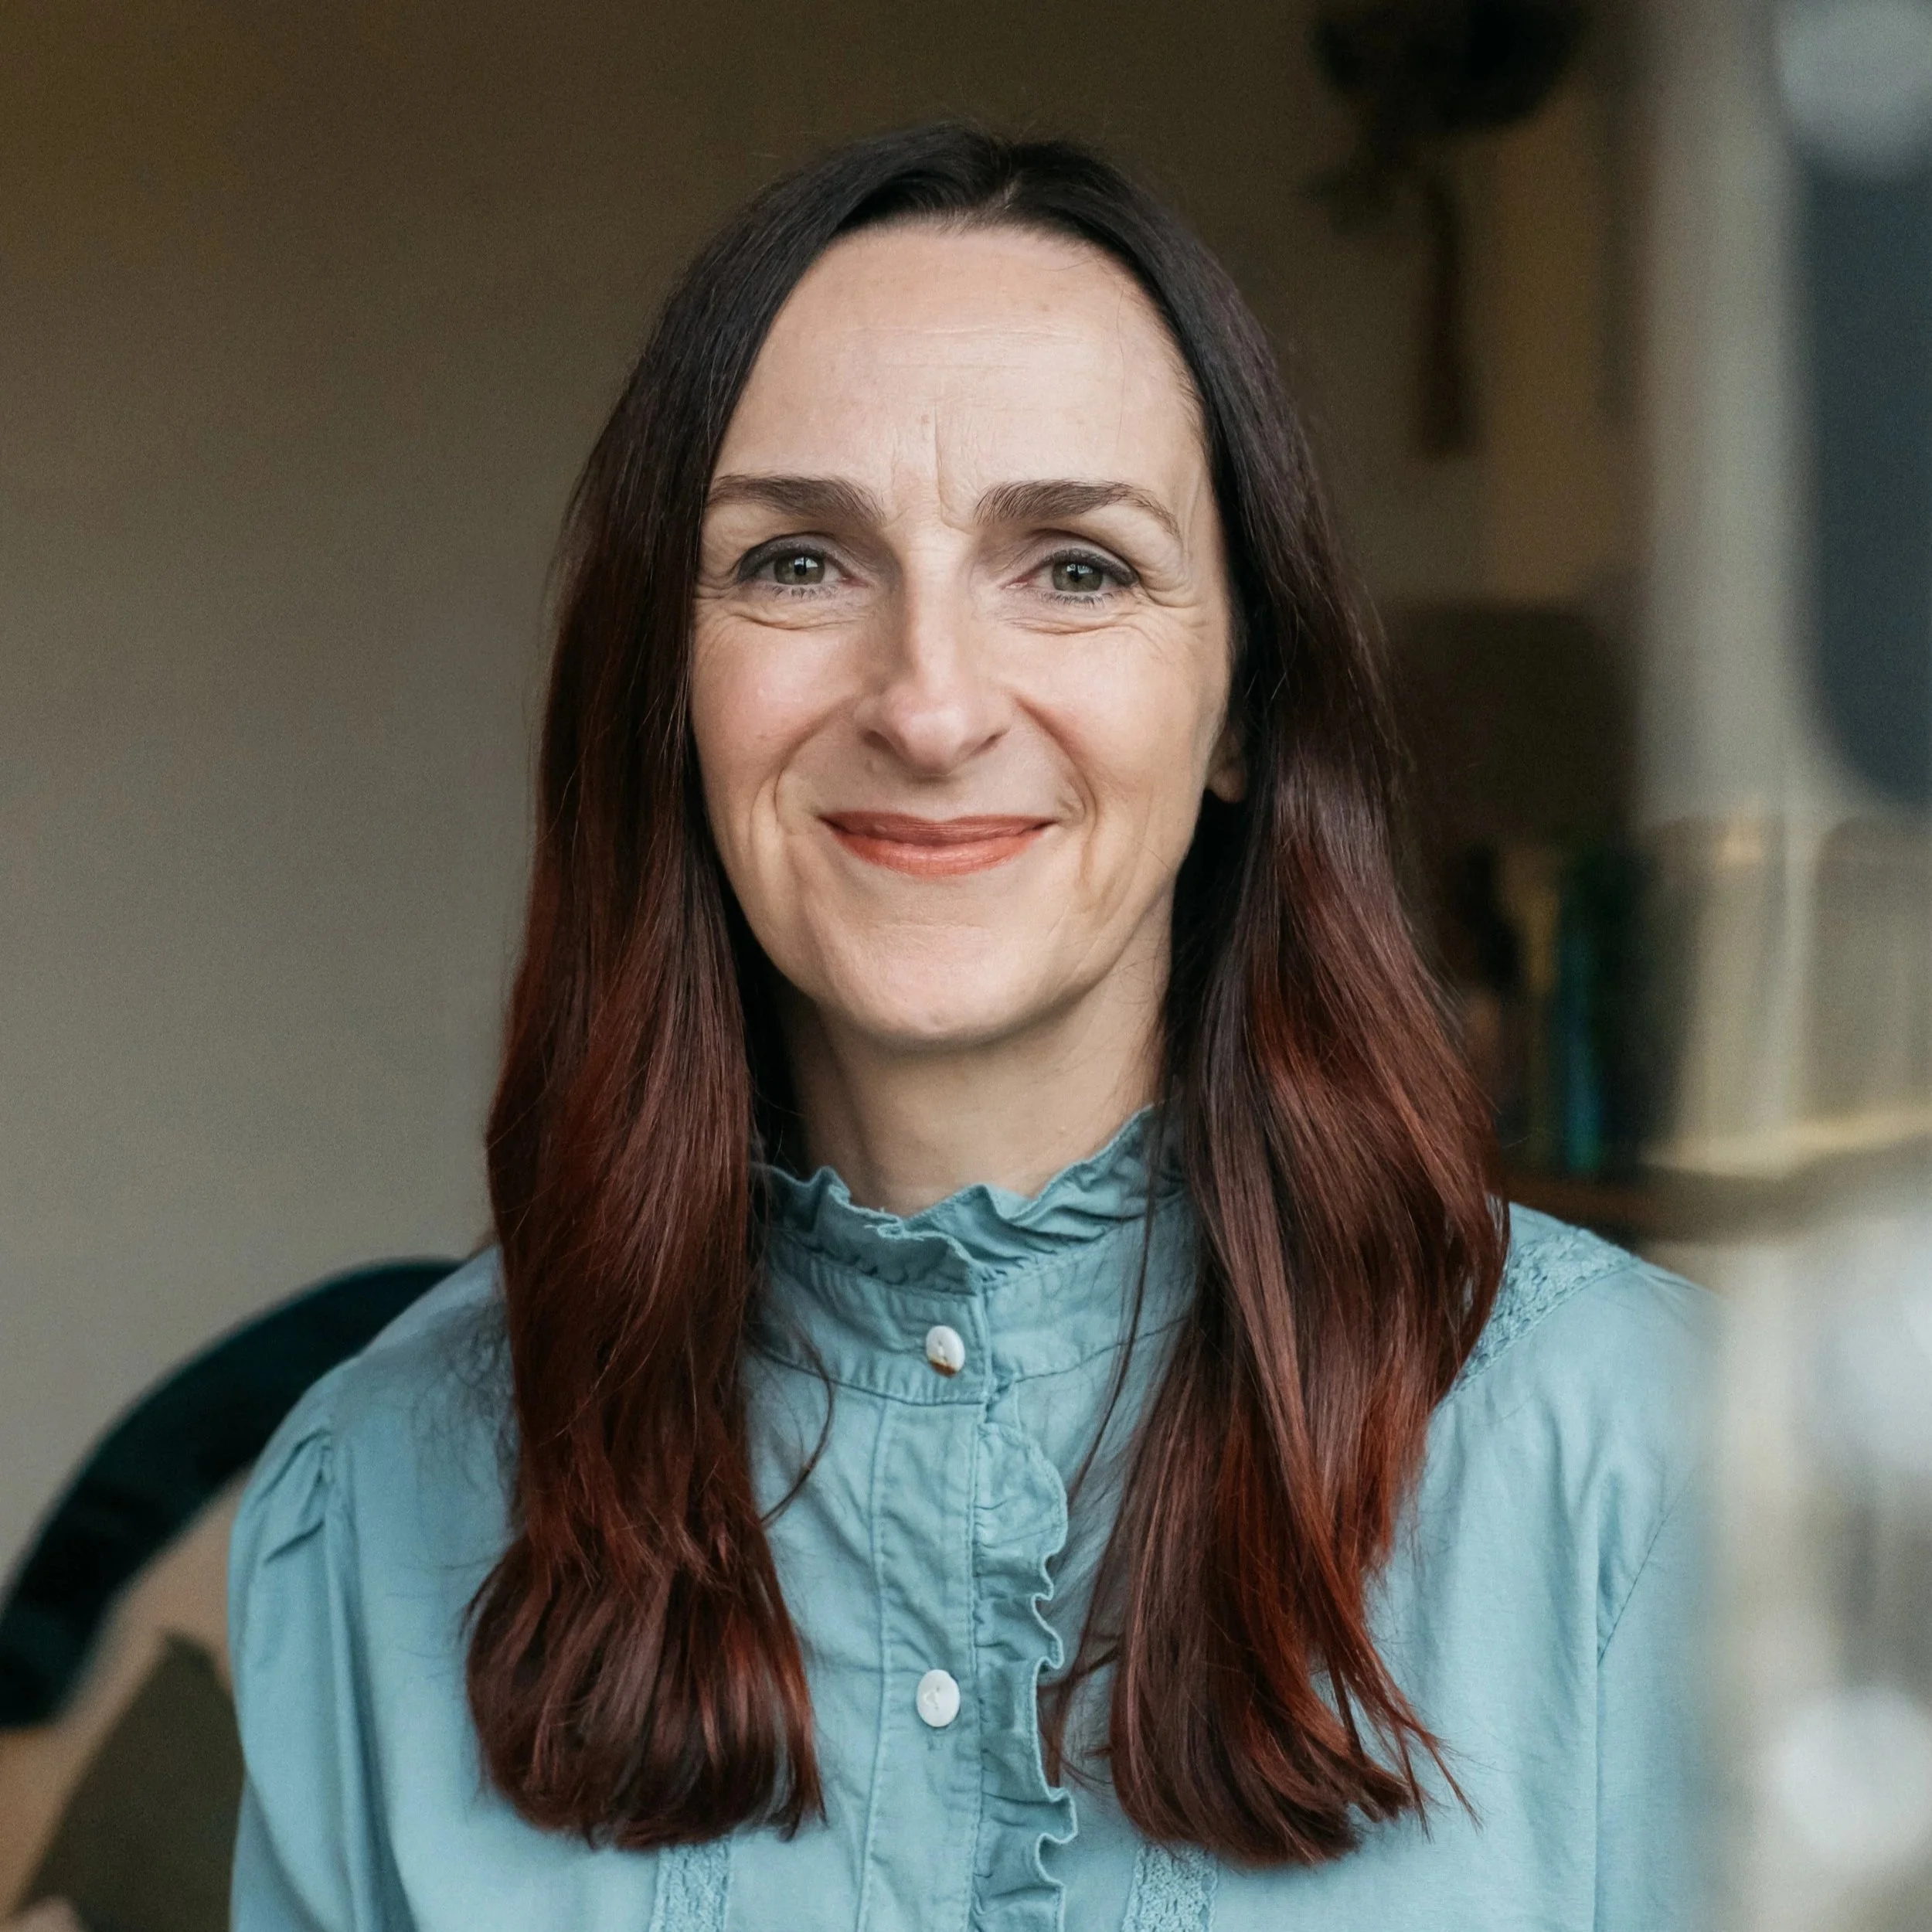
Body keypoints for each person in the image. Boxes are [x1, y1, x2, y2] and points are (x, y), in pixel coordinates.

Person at [228, 124, 1712, 1932]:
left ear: (1238, 702)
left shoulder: (1653, 1455)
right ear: (663, 694)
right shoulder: (375, 1496)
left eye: (1075, 566)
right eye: (794, 562)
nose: (928, 705)